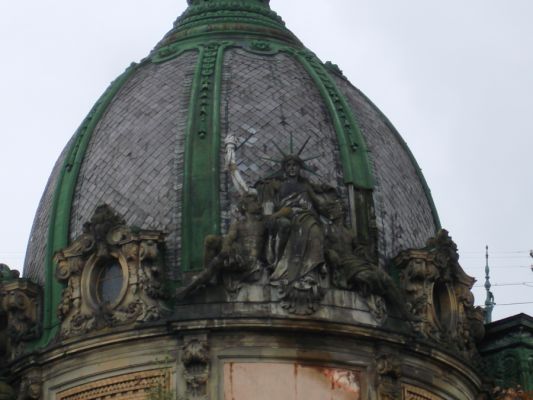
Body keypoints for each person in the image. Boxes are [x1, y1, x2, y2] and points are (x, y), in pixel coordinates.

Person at [254, 155, 331, 284]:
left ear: (299, 168)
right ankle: (281, 266)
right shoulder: (278, 185)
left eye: (294, 165)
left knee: (315, 231)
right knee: (288, 226)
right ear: (284, 168)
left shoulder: (305, 185)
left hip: (306, 215)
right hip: (286, 215)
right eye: (288, 165)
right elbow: (271, 204)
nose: (291, 168)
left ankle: (310, 270)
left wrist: (327, 206)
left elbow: (317, 202)